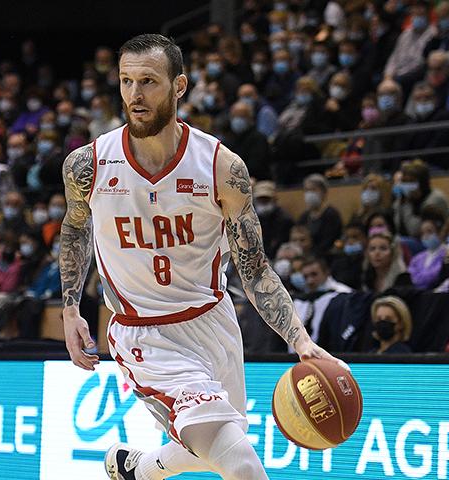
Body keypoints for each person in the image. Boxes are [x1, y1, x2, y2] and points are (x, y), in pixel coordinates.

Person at [58, 34, 336, 480]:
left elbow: (255, 268)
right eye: (126, 81)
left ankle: (138, 470)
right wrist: (70, 307)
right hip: (144, 333)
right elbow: (75, 228)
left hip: (214, 321)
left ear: (179, 86)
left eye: (148, 81)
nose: (135, 94)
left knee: (214, 443)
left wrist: (300, 341)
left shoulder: (222, 169)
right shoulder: (87, 165)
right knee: (238, 459)